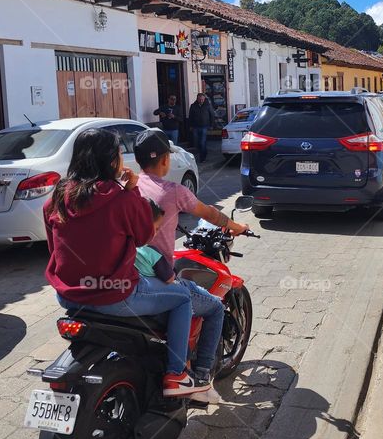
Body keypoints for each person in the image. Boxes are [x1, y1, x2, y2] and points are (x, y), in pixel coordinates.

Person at [43, 128, 208, 398]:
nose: (122, 159)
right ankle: (177, 374)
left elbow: (54, 249)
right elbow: (144, 236)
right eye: (119, 154)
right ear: (111, 161)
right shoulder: (119, 198)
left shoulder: (56, 199)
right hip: (116, 293)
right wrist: (132, 191)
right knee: (181, 298)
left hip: (68, 296)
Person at [134, 129, 248, 401]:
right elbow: (208, 213)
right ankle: (199, 377)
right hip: (158, 276)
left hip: (132, 271)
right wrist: (236, 227)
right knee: (215, 308)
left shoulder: (130, 187)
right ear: (164, 160)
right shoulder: (173, 191)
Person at [187, 92, 216, 162]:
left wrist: (212, 125)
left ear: (204, 99)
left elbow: (212, 115)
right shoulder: (193, 106)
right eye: (200, 99)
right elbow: (190, 116)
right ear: (197, 99)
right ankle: (202, 153)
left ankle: (203, 157)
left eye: (202, 99)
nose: (201, 101)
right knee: (196, 142)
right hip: (195, 126)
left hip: (204, 126)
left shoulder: (208, 106)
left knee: (202, 142)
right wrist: (190, 126)